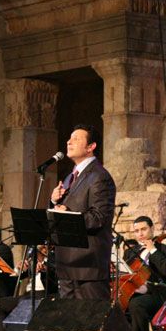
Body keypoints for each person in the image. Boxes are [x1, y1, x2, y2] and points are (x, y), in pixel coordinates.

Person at [49, 124, 116, 300]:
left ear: (90, 146)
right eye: (69, 138)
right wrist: (54, 201)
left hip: (88, 265)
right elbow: (63, 211)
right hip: (67, 262)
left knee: (92, 315)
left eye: (76, 139)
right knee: (68, 316)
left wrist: (68, 215)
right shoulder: (70, 176)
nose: (69, 142)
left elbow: (99, 217)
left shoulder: (99, 176)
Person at [125, 216, 166, 331]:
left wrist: (153, 250)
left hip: (157, 293)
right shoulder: (130, 252)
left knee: (136, 304)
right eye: (137, 231)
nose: (140, 234)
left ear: (152, 229)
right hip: (134, 291)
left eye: (143, 229)